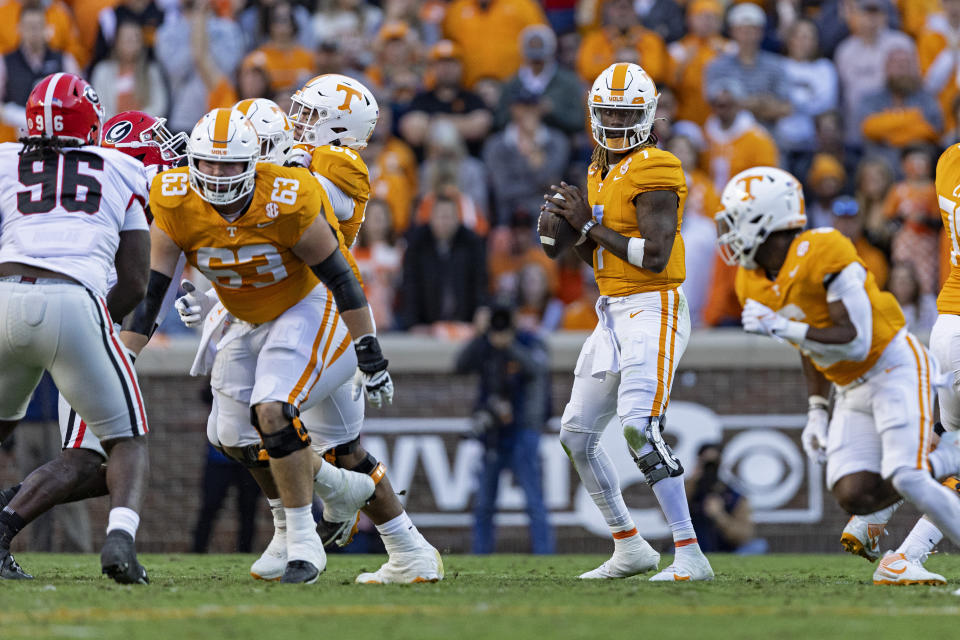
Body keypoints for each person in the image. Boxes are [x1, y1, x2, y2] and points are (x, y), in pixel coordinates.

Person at [183, 85, 444, 584]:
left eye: (310, 115)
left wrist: (281, 162)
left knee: (297, 431)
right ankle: (368, 536)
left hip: (322, 309)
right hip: (276, 304)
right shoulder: (286, 157)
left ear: (342, 128)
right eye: (297, 112)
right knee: (246, 434)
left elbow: (324, 203)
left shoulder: (337, 163)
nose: (296, 121)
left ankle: (319, 529)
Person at [125, 107, 389, 584]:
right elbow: (153, 293)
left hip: (304, 305)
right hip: (245, 313)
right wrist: (122, 359)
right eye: (208, 164)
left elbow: (341, 277)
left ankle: (304, 539)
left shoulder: (292, 191)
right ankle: (320, 502)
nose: (218, 175)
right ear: (191, 162)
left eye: (230, 165)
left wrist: (369, 348)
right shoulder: (174, 195)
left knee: (273, 409)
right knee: (229, 435)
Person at [715, 165, 960, 586]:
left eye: (736, 220)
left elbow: (857, 340)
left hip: (903, 358)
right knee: (853, 492)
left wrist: (783, 328)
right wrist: (815, 410)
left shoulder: (827, 249)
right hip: (857, 382)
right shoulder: (751, 280)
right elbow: (813, 344)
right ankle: (941, 468)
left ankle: (914, 522)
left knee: (911, 470)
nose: (728, 232)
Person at [0, 108, 190, 582]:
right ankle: (9, 522)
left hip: (32, 309)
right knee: (97, 456)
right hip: (91, 331)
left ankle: (10, 505)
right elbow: (140, 287)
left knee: (98, 467)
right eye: (158, 143)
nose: (172, 153)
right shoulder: (129, 186)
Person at [542, 62, 714, 582]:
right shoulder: (598, 168)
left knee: (639, 426)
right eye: (608, 111)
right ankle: (630, 544)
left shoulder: (657, 166)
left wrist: (587, 225)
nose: (615, 121)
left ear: (647, 114)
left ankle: (689, 553)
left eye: (625, 112)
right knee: (575, 435)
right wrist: (565, 236)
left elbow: (655, 256)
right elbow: (594, 256)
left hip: (653, 304)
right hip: (612, 310)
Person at [456, 303, 554, 554]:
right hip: (495, 433)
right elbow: (460, 365)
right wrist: (479, 335)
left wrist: (509, 344)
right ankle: (480, 555)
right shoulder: (486, 345)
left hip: (523, 430)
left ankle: (544, 554)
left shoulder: (529, 341)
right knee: (485, 503)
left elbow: (538, 369)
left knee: (534, 500)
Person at [483, 90, 569, 225]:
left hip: (547, 214)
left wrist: (534, 148)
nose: (527, 111)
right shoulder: (496, 144)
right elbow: (503, 189)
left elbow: (552, 183)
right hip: (509, 215)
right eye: (521, 106)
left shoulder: (557, 141)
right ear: (512, 109)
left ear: (540, 109)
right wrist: (538, 184)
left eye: (532, 106)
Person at [704, 2, 791, 130]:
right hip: (727, 138)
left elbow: (786, 109)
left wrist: (739, 104)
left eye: (752, 30)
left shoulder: (776, 65)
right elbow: (717, 107)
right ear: (732, 32)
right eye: (742, 30)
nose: (748, 35)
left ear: (761, 32)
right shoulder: (717, 66)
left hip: (768, 136)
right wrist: (761, 103)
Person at [0, 5, 80, 143]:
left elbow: (78, 99)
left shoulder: (64, 60)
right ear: (19, 28)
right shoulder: (5, 61)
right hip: (15, 140)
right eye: (29, 26)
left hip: (56, 137)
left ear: (47, 28)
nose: (34, 31)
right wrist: (15, 115)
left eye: (38, 26)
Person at [495, 25, 584, 135]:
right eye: (532, 47)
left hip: (556, 137)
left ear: (551, 48)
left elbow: (579, 121)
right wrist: (515, 112)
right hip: (516, 138)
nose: (536, 53)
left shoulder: (569, 82)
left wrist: (552, 110)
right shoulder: (512, 84)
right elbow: (498, 121)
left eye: (540, 47)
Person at [441, 0, 547, 88]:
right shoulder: (456, 10)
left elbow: (543, 44)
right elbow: (445, 50)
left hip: (515, 91)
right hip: (469, 91)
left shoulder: (523, 6)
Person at [686, 443, 759, 554]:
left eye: (713, 464)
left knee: (757, 546)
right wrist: (692, 482)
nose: (709, 469)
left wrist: (720, 516)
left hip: (729, 550)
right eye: (706, 463)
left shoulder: (734, 495)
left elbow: (744, 535)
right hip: (693, 550)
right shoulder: (689, 491)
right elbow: (667, 516)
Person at [90, 20, 168, 119]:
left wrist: (137, 123)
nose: (132, 44)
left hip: (145, 130)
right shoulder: (102, 71)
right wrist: (119, 125)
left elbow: (159, 105)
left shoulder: (151, 71)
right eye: (127, 39)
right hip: (112, 130)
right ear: (117, 42)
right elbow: (99, 106)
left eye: (136, 39)